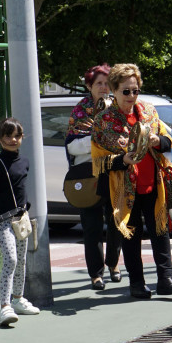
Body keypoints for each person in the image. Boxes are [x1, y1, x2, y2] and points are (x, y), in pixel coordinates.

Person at [91, 64, 172, 299]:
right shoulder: (103, 120)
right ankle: (137, 283)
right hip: (123, 187)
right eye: (126, 91)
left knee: (160, 232)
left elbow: (168, 141)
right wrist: (122, 159)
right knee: (131, 235)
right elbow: (98, 162)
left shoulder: (149, 111)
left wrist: (157, 141)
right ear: (113, 90)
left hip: (153, 181)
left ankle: (166, 279)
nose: (132, 96)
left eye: (135, 91)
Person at [0, 117, 41, 326]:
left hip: (21, 219)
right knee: (11, 259)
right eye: (8, 136)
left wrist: (26, 207)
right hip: (2, 221)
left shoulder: (25, 162)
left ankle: (19, 299)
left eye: (17, 136)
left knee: (21, 261)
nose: (13, 140)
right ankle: (5, 306)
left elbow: (21, 188)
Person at [65, 63, 122, 290]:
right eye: (98, 83)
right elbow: (71, 147)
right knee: (92, 226)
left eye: (107, 83)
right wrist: (95, 142)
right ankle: (96, 274)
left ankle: (114, 264)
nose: (103, 87)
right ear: (89, 85)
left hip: (116, 171)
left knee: (118, 221)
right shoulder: (80, 111)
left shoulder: (119, 108)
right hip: (89, 176)